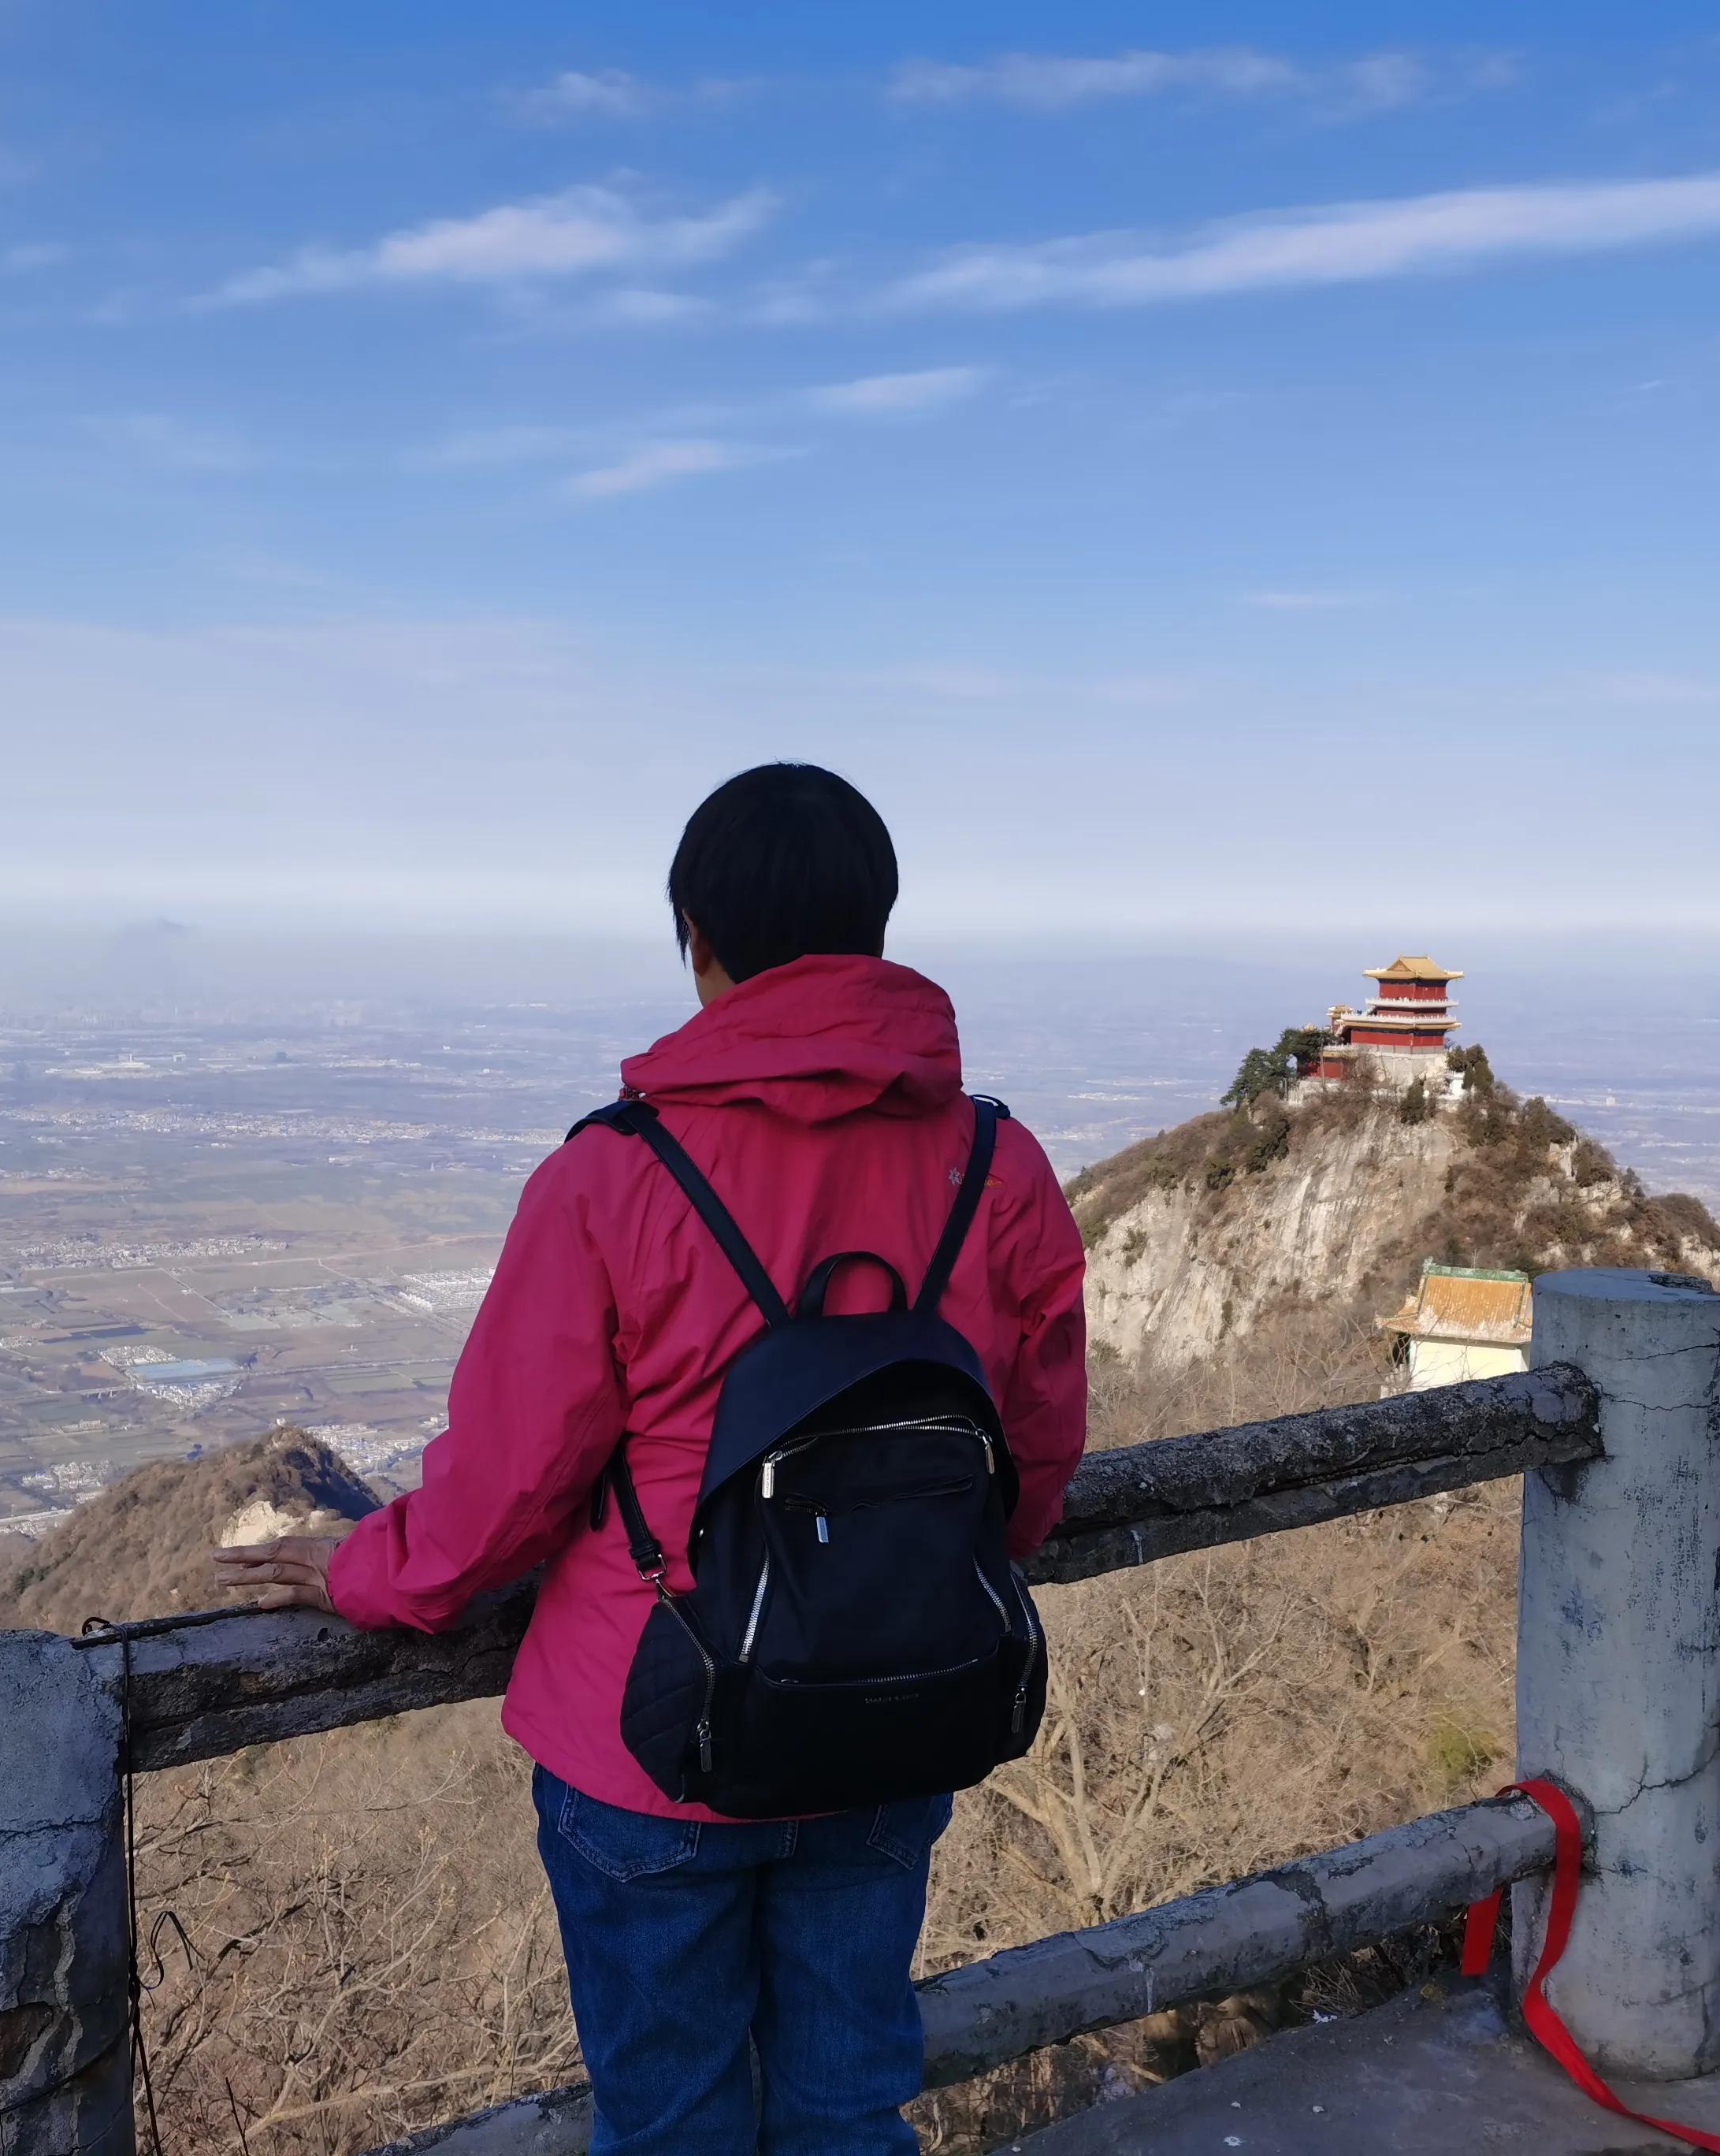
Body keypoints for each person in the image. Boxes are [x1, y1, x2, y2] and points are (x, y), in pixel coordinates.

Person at [214, 763, 1089, 2155]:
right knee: (850, 2100)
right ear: (879, 926)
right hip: (899, 1712)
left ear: (695, 939)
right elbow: (1034, 1447)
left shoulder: (614, 1179)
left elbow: (507, 1488)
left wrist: (363, 1575)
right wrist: (912, 1579)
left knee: (673, 2121)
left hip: (650, 1731)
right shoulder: (1000, 1162)